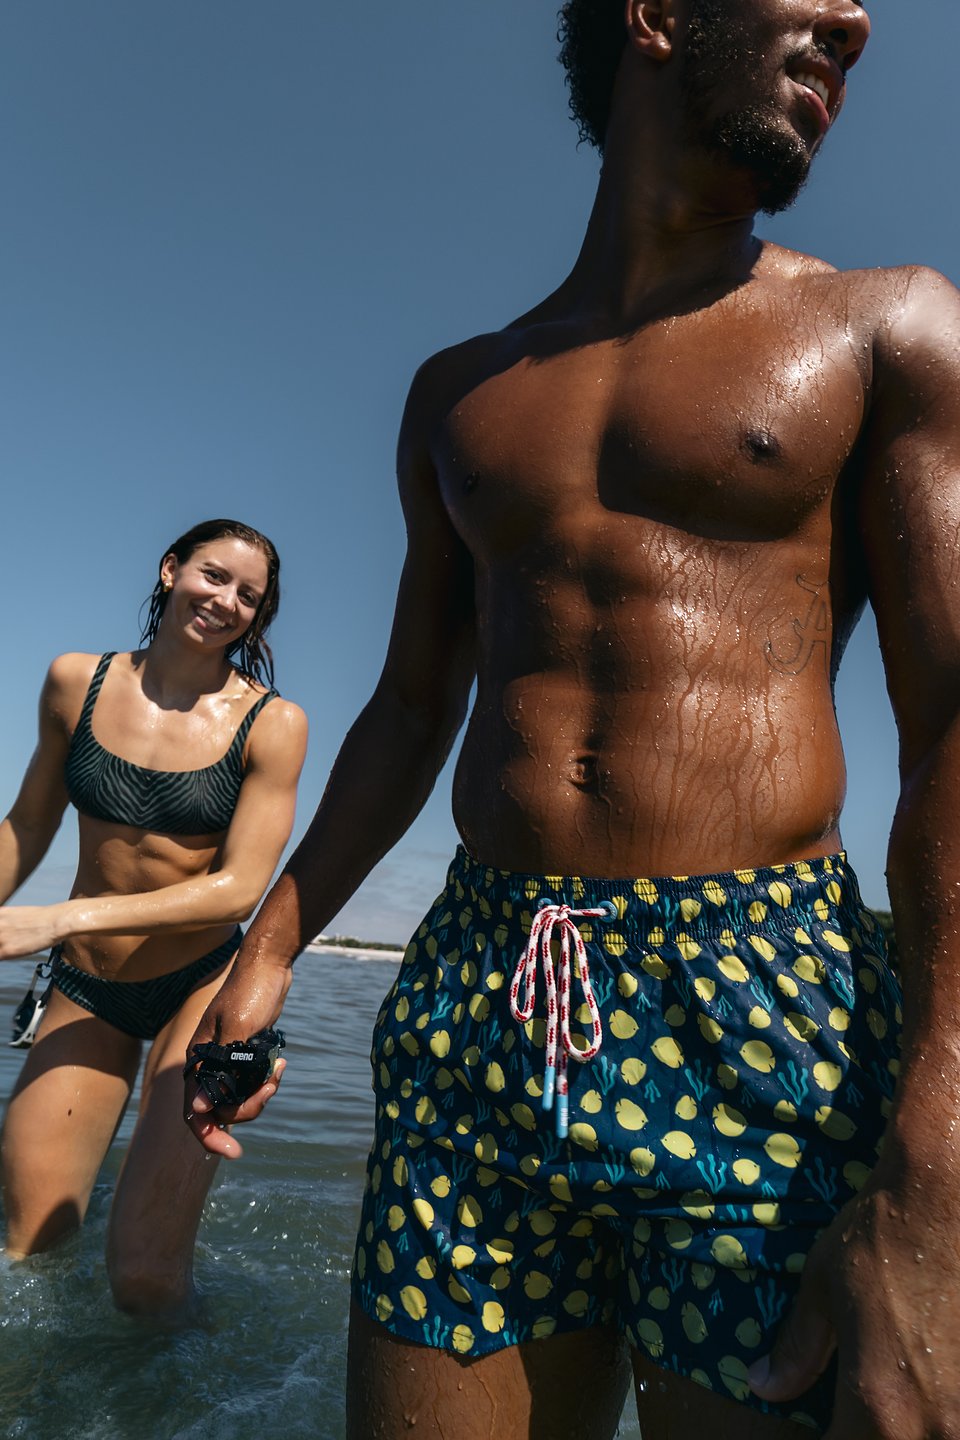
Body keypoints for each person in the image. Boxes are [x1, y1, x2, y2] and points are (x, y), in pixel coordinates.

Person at [185, 0, 960, 1434]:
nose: (855, 18)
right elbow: (412, 703)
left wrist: (943, 1146)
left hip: (763, 994)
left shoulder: (889, 325)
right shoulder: (458, 395)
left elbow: (953, 726)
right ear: (657, 14)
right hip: (481, 981)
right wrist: (272, 945)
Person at [0, 517, 307, 1319]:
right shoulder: (76, 681)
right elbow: (26, 825)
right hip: (87, 985)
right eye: (214, 575)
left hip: (196, 989)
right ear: (172, 570)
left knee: (142, 1277)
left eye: (249, 596)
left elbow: (239, 888)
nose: (227, 600)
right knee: (29, 1246)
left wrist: (60, 917)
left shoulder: (271, 723)